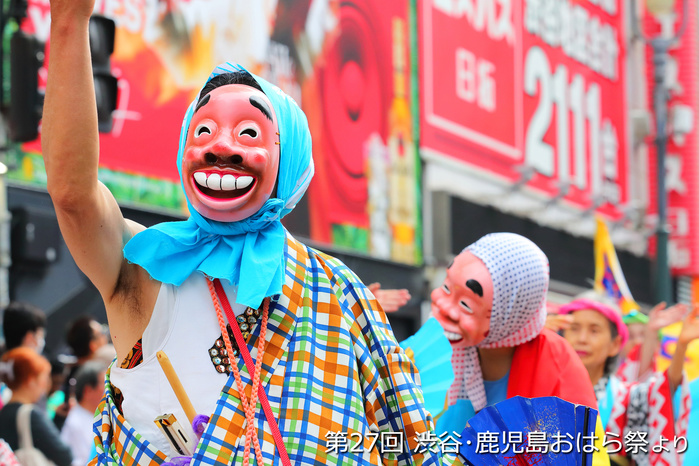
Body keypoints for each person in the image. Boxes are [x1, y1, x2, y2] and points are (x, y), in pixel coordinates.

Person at [44, 2, 460, 465]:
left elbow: (409, 443)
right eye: (203, 130)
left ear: (292, 161)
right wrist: (69, 21)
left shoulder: (338, 292)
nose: (221, 148)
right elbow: (73, 196)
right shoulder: (146, 266)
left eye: (248, 132)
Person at [429, 233, 609, 464]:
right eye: (446, 288)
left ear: (511, 309)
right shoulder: (442, 353)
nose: (445, 309)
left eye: (466, 304)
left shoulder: (558, 364)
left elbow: (583, 455)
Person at [559, 295, 694, 466]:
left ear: (615, 344)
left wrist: (681, 346)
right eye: (574, 329)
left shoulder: (623, 396)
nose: (582, 339)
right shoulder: (544, 390)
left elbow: (664, 389)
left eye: (594, 331)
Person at [0, 348, 72, 466]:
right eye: (44, 378)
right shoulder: (30, 414)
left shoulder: (4, 412)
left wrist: (58, 418)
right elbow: (64, 455)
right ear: (30, 381)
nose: (46, 385)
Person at [60, 362, 107, 466]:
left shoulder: (95, 417)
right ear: (88, 390)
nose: (109, 389)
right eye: (105, 384)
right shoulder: (75, 422)